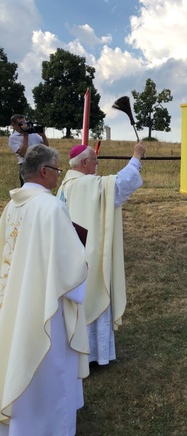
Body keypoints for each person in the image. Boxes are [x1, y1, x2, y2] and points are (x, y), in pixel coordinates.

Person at [0, 144, 89, 436]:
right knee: (48, 372)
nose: (59, 176)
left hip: (13, 304)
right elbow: (72, 269)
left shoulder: (11, 206)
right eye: (58, 170)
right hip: (45, 308)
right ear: (44, 171)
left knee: (17, 358)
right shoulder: (51, 207)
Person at [57, 141, 145, 366]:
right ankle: (95, 355)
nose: (97, 165)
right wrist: (136, 158)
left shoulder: (66, 184)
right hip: (90, 254)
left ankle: (79, 353)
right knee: (94, 294)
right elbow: (118, 187)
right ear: (85, 162)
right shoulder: (85, 184)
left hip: (72, 253)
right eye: (95, 161)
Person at [8, 114, 49, 186]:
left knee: (41, 186)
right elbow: (23, 153)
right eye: (21, 124)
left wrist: (43, 136)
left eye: (25, 123)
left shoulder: (33, 134)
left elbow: (46, 147)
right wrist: (25, 135)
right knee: (28, 187)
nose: (24, 126)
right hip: (26, 164)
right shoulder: (13, 138)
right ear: (13, 125)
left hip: (39, 163)